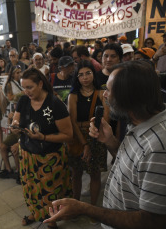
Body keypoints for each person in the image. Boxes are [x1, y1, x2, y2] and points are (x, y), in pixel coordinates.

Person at [44, 61, 166, 229]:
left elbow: (151, 222)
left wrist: (85, 208)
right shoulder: (138, 122)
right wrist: (110, 142)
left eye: (109, 90)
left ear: (128, 96)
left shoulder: (158, 148)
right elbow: (132, 168)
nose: (105, 95)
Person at [11, 68, 73, 228]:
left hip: (50, 157)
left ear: (40, 84)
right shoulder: (24, 101)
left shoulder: (54, 103)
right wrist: (15, 126)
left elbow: (67, 135)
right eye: (24, 87)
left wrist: (44, 137)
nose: (26, 91)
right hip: (28, 154)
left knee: (50, 191)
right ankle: (35, 212)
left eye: (30, 87)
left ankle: (51, 220)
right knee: (31, 188)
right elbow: (16, 120)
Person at [67, 60, 109, 223]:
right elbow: (72, 121)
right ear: (77, 78)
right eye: (81, 74)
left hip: (97, 137)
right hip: (78, 140)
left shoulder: (101, 92)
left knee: (95, 174)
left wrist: (91, 140)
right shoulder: (73, 95)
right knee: (76, 174)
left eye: (88, 73)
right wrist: (85, 144)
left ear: (94, 74)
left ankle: (92, 209)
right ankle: (76, 206)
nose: (85, 78)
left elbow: (104, 119)